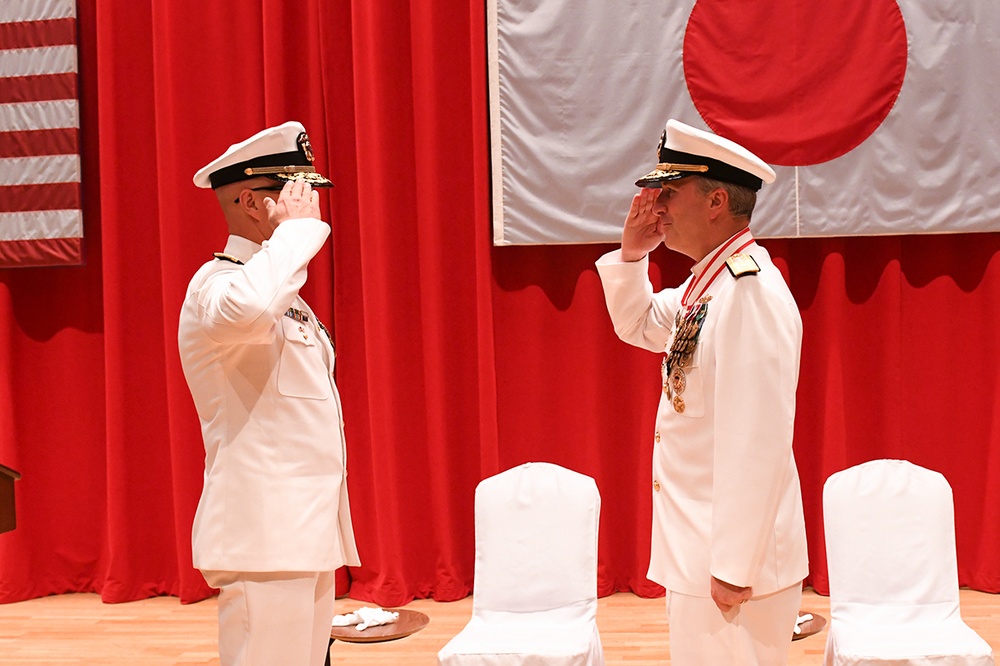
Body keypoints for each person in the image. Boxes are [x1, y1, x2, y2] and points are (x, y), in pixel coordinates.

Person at [595, 119, 809, 665]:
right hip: (701, 549)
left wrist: (733, 567)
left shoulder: (749, 292)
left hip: (732, 565)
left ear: (716, 201)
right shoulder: (706, 283)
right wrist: (632, 255)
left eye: (670, 191)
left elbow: (756, 440)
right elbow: (639, 323)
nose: (656, 205)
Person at [178, 121, 360, 666]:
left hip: (303, 531)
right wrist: (297, 237)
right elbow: (250, 310)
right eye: (295, 195)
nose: (310, 209)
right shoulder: (216, 285)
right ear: (252, 203)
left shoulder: (280, 290)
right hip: (263, 534)